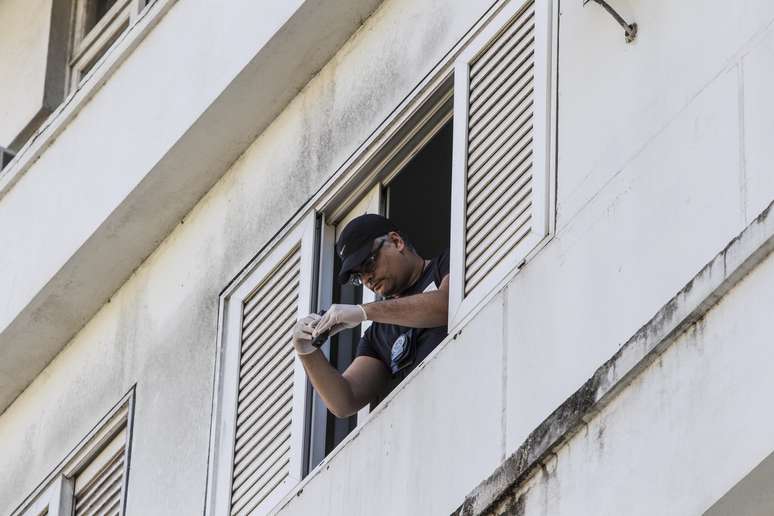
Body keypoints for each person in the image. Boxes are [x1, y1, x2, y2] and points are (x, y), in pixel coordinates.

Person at [292, 214, 449, 418]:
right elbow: (345, 401)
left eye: (368, 264)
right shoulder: (377, 334)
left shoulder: (445, 263)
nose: (367, 279)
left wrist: (363, 311)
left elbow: (445, 305)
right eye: (358, 277)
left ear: (396, 242)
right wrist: (306, 351)